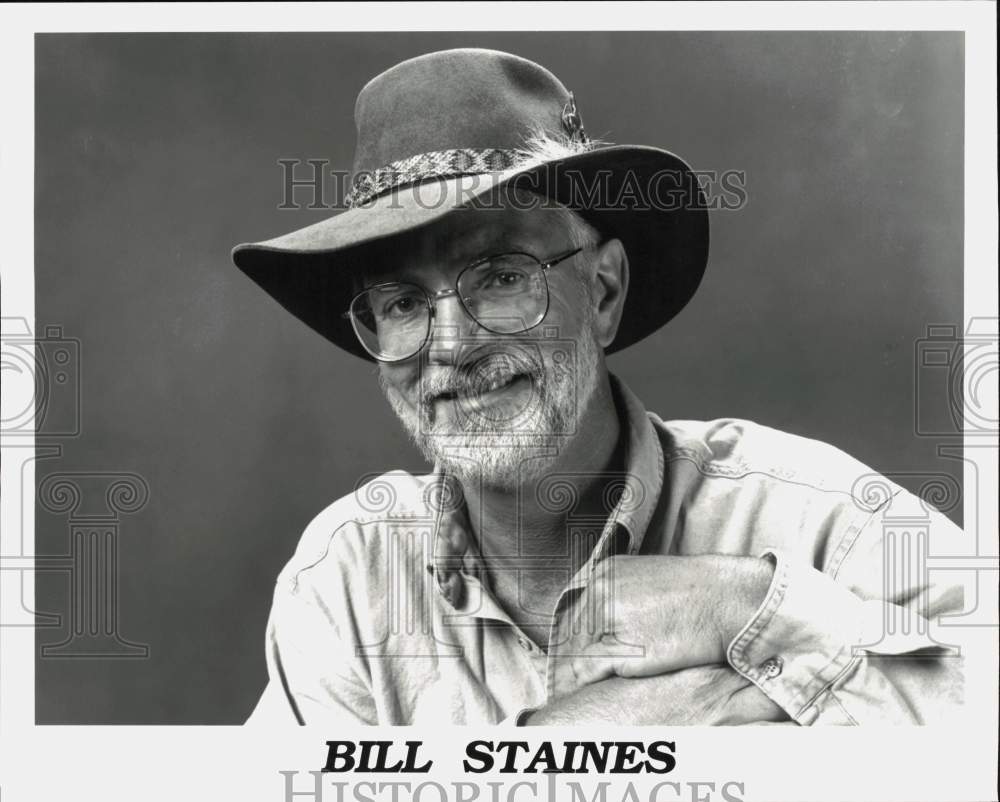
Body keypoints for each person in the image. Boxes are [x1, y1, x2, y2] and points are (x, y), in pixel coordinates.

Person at [232, 48, 964, 726]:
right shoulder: (351, 580)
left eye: (502, 278)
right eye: (400, 303)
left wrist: (742, 608)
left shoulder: (826, 520)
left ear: (604, 291)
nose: (451, 347)